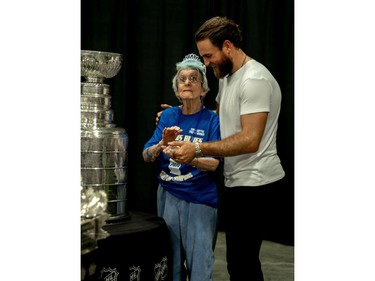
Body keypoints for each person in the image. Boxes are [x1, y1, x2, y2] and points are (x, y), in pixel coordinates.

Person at [163, 16, 286, 281]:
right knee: (237, 262)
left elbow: (249, 140)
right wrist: (179, 116)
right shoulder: (227, 76)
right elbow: (219, 117)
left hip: (257, 183)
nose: (206, 63)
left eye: (208, 56)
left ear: (227, 46)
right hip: (236, 181)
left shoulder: (254, 80)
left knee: (243, 264)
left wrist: (196, 148)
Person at [142, 53, 222, 281]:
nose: (187, 82)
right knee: (171, 264)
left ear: (204, 89)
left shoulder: (212, 120)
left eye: (194, 79)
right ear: (177, 89)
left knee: (200, 265)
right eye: (182, 79)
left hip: (200, 200)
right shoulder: (168, 116)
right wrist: (161, 144)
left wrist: (191, 158)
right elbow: (146, 155)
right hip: (167, 197)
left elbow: (215, 163)